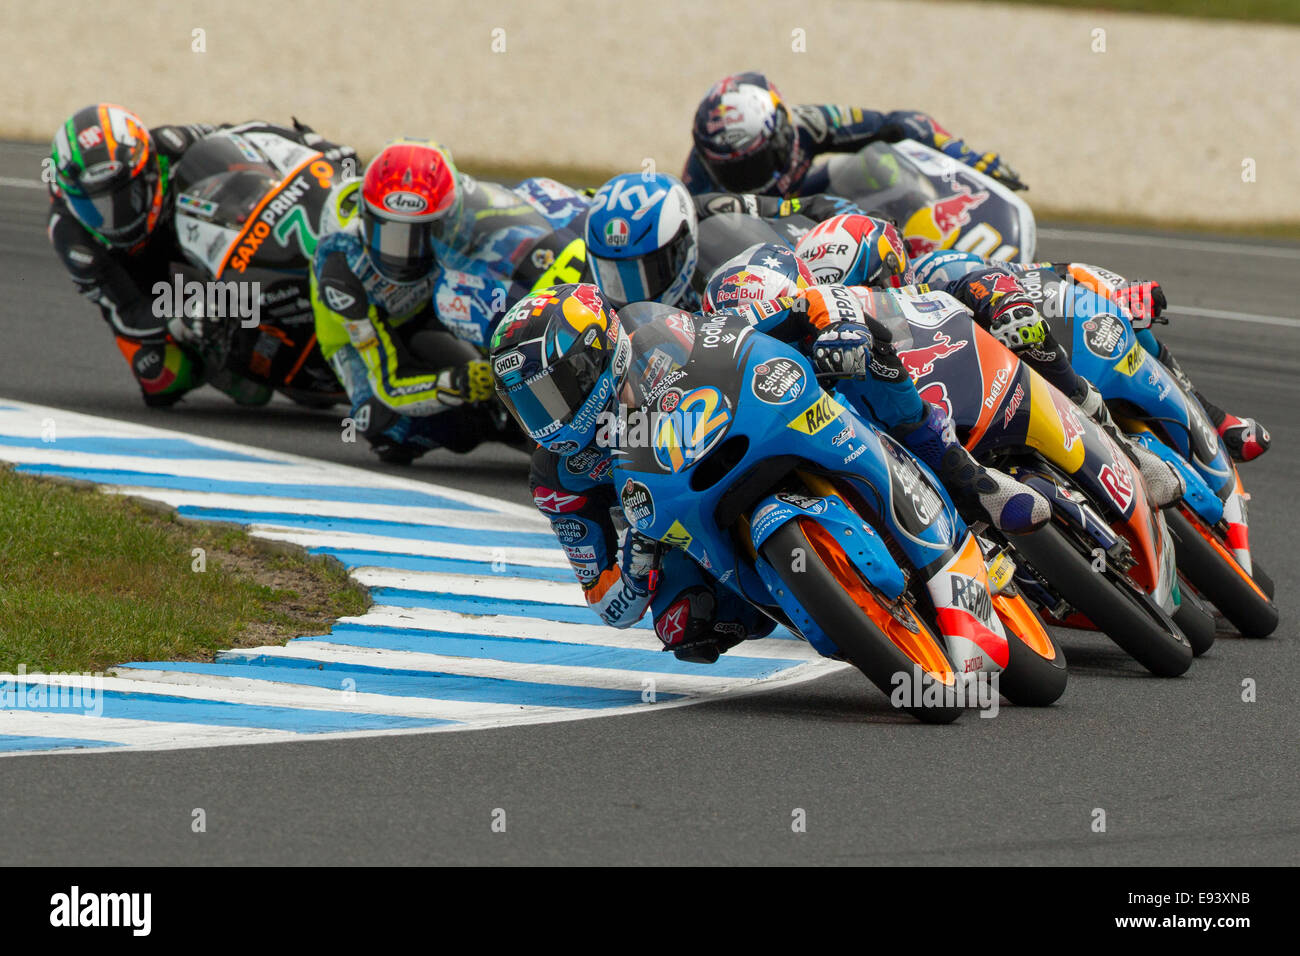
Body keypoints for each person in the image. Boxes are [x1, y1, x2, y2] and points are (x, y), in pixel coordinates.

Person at [489, 282, 1049, 664]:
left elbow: (797, 307)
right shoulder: (555, 480)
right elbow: (607, 605)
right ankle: (798, 600)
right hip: (669, 521)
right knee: (682, 627)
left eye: (550, 393)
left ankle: (966, 475)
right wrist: (635, 573)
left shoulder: (659, 336)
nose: (547, 418)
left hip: (746, 426)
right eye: (528, 406)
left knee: (861, 351)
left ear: (595, 357)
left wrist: (833, 326)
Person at [791, 214, 1188, 503]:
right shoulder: (831, 338)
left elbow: (1044, 273)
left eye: (865, 287)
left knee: (1023, 323)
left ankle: (1135, 434)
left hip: (997, 376)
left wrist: (1117, 289)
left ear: (892, 269)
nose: (859, 303)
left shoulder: (934, 269)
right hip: (926, 421)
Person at [47, 103, 356, 407]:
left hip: (194, 241)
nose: (116, 217)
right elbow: (126, 310)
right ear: (70, 197)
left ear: (149, 172)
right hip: (147, 286)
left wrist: (313, 145)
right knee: (163, 377)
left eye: (127, 196)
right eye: (97, 207)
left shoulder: (167, 144)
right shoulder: (73, 236)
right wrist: (181, 317)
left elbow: (241, 135)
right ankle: (234, 364)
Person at [310, 139, 589, 462]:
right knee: (383, 422)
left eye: (422, 234)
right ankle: (499, 421)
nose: (406, 253)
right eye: (394, 236)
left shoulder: (455, 210)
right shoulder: (342, 272)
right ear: (367, 218)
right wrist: (458, 383)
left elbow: (516, 214)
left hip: (429, 301)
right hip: (369, 333)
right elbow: (389, 383)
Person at [683, 71, 1023, 198]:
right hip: (751, 249)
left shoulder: (811, 124)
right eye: (731, 170)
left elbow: (903, 124)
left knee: (879, 167)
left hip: (806, 212)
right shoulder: (699, 170)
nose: (743, 177)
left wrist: (966, 159)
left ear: (781, 134)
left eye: (751, 164)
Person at [583, 169, 861, 311]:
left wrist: (863, 222)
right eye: (613, 274)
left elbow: (812, 206)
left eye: (648, 270)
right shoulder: (595, 293)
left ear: (682, 243)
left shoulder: (712, 208)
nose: (630, 291)